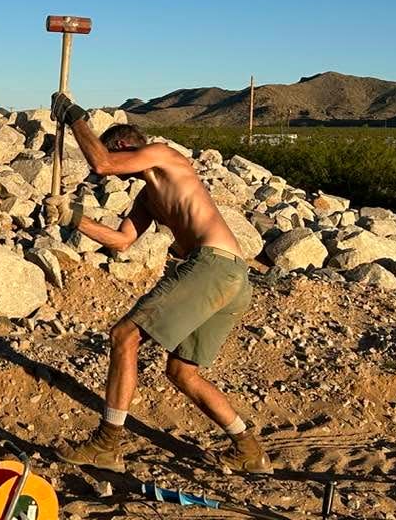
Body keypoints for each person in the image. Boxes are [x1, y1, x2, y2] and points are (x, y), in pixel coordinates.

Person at [44, 92, 271, 475]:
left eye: (120, 156)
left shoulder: (164, 155)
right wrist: (72, 218)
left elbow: (101, 162)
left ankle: (107, 444)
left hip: (212, 265)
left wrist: (75, 117)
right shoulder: (149, 198)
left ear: (125, 147)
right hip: (232, 276)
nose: (121, 171)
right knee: (182, 372)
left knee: (124, 336)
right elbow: (122, 241)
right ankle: (248, 449)